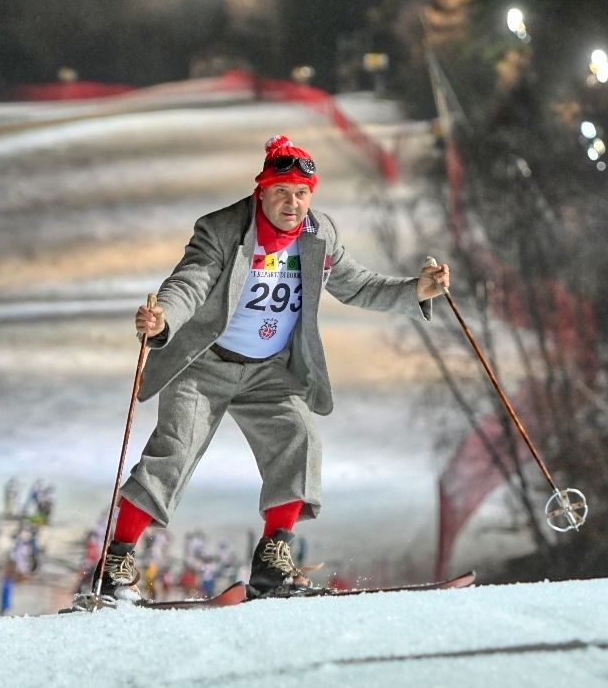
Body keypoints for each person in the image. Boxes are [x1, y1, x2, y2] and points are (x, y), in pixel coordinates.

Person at [93, 135, 450, 602]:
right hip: (205, 365)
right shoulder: (223, 229)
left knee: (299, 437)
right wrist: (163, 320)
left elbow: (357, 285)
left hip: (268, 370)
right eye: (281, 191)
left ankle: (272, 561)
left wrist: (415, 291)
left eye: (302, 193)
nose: (292, 203)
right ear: (261, 190)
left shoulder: (319, 235)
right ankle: (115, 561)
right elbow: (190, 282)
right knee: (173, 452)